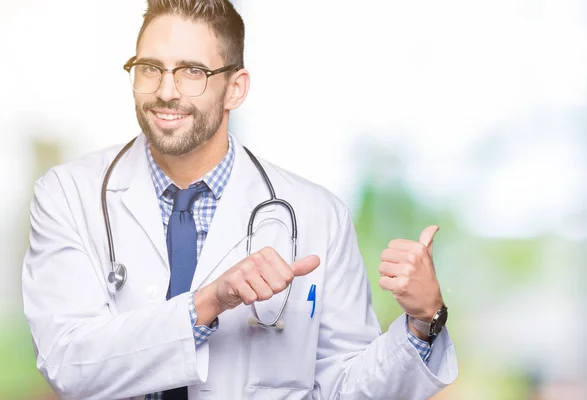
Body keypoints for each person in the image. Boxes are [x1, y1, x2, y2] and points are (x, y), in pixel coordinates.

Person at [21, 1, 457, 399]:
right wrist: (210, 302)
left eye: (192, 71)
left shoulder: (317, 217)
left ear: (236, 88)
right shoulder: (67, 196)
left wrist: (423, 323)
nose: (166, 91)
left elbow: (343, 388)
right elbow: (68, 362)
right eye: (150, 67)